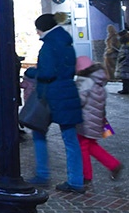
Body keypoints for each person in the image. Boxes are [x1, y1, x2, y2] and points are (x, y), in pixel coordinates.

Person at [25, 13, 85, 193]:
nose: (37, 33)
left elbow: (47, 73)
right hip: (67, 92)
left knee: (38, 131)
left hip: (50, 95)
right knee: (70, 138)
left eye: (37, 29)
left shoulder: (49, 46)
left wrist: (31, 72)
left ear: (42, 28)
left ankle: (42, 174)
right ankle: (76, 180)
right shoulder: (66, 43)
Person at [75, 54, 123, 184]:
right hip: (95, 120)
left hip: (85, 121)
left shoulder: (84, 82)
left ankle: (86, 176)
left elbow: (80, 101)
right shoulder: (99, 81)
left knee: (82, 147)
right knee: (91, 145)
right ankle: (113, 164)